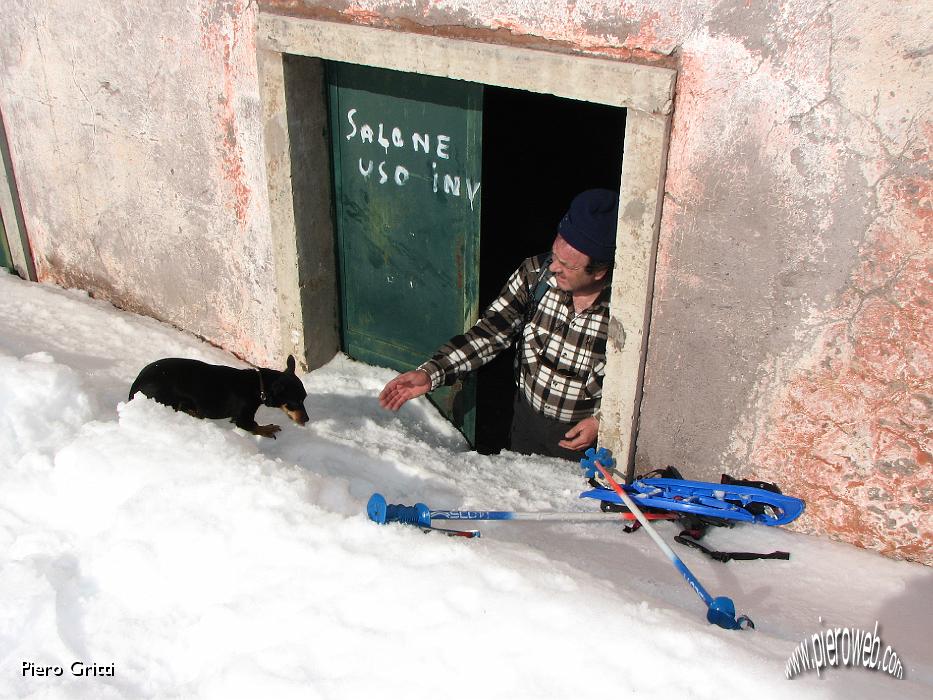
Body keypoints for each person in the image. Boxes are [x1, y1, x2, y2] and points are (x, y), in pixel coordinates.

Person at [379, 189, 619, 461]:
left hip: (582, 437)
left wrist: (602, 422)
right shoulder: (535, 276)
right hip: (526, 421)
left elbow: (634, 384)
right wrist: (433, 372)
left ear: (599, 271)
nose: (554, 267)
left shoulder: (623, 312)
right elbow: (491, 333)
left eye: (566, 265)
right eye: (554, 255)